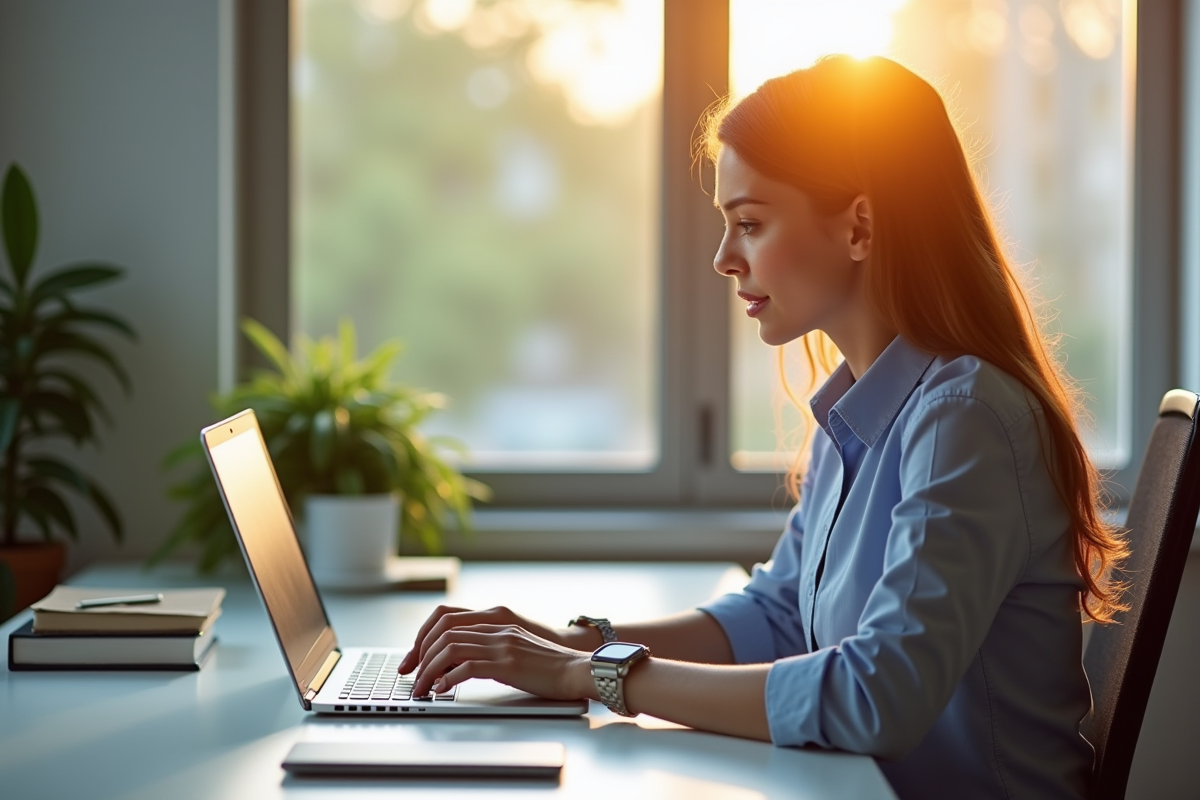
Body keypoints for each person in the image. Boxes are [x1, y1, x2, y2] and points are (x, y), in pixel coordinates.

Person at [396, 55, 1128, 800]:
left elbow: (877, 698)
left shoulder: (963, 420)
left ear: (859, 227)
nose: (722, 258)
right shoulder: (862, 409)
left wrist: (588, 675)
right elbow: (780, 614)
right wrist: (568, 643)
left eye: (749, 223)